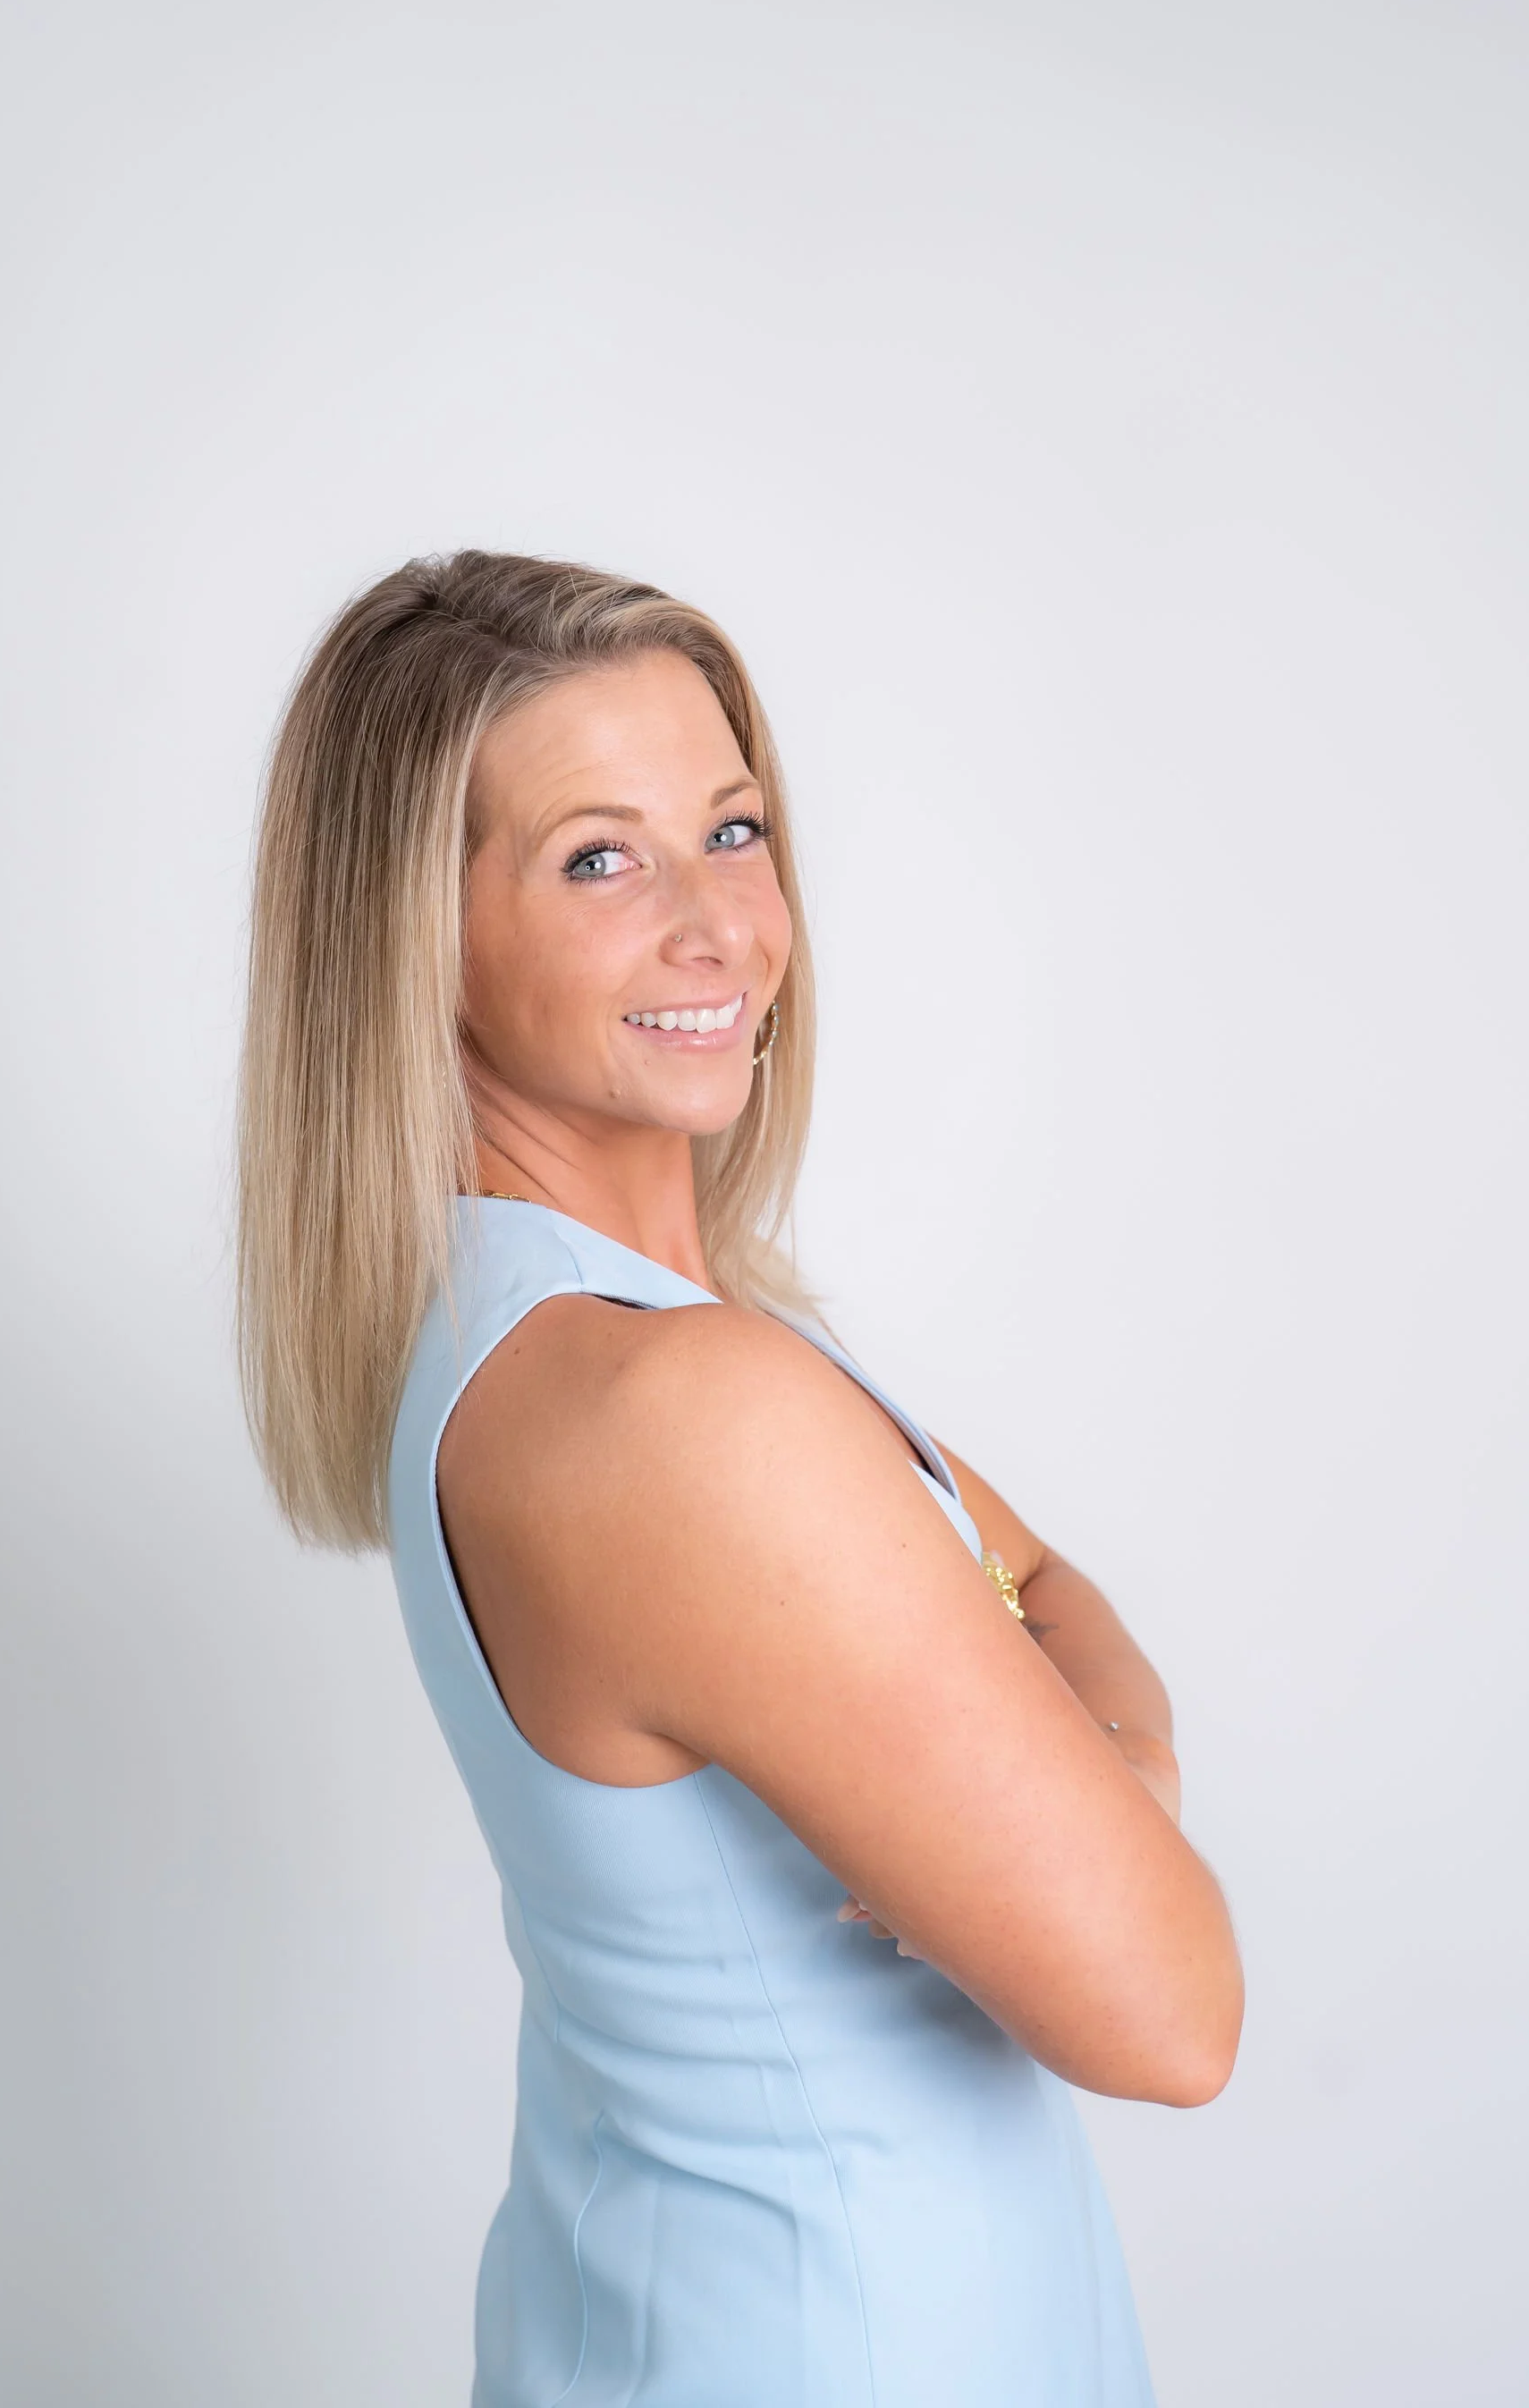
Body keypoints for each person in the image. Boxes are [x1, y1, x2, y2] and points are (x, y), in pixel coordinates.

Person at [236, 549, 1243, 2408]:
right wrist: (1112, 1783)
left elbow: (1051, 1584)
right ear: (416, 936)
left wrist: (1119, 1765)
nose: (716, 925)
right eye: (597, 860)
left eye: (733, 827)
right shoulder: (676, 1412)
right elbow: (1170, 2013)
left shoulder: (589, 1339)